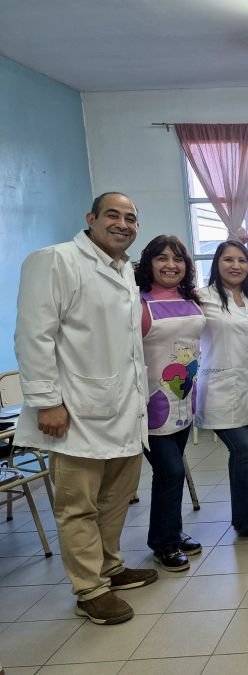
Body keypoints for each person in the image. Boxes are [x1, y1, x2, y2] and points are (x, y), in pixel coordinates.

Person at [14, 192, 157, 625]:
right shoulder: (54, 260)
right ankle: (89, 589)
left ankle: (110, 566)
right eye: (113, 215)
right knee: (78, 505)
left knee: (115, 499)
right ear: (90, 218)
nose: (123, 224)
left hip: (123, 409)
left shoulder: (123, 271)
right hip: (73, 412)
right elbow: (33, 335)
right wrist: (46, 401)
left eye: (131, 218)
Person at [135, 235, 205, 572]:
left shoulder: (192, 300)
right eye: (162, 257)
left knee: (169, 473)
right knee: (171, 472)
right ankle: (164, 543)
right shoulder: (139, 305)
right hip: (151, 403)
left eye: (178, 259)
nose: (170, 265)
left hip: (184, 398)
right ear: (149, 262)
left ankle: (171, 532)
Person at [195, 240, 248, 542]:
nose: (236, 266)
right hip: (220, 389)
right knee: (243, 449)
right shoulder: (202, 298)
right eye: (229, 259)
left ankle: (244, 517)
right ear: (217, 263)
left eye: (242, 260)